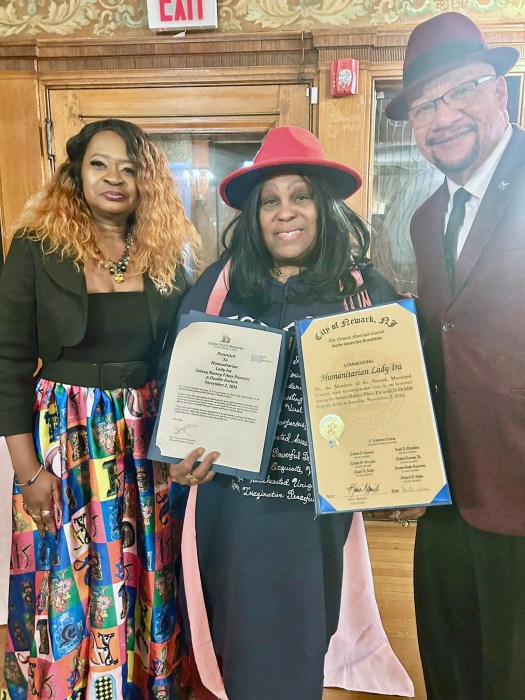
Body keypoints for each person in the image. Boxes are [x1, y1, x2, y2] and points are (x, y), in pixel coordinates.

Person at [166, 125, 403, 700]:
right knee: (236, 640)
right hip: (230, 506)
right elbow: (183, 392)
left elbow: (393, 397)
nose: (284, 212)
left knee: (301, 640)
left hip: (310, 513)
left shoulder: (362, 291)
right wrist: (178, 457)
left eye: (299, 197)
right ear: (253, 216)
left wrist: (396, 466)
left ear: (322, 206)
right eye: (270, 201)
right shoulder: (218, 289)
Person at [0, 118, 200, 699]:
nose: (115, 178)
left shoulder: (170, 251)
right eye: (100, 164)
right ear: (75, 172)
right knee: (64, 578)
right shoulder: (36, 248)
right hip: (63, 439)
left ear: (149, 181)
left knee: (144, 575)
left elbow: (184, 354)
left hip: (145, 441)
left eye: (131, 167)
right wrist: (27, 471)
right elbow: (8, 362)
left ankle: (143, 686)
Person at [385, 12, 525, 700]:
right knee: (452, 669)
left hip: (522, 492)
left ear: (499, 90)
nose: (439, 118)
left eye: (457, 93)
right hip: (442, 495)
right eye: (421, 106)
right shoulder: (423, 217)